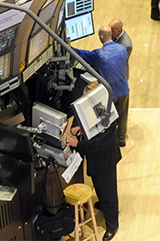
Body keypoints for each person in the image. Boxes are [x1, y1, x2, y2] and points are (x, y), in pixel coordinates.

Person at [66, 85, 122, 241]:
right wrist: (81, 128)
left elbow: (98, 144)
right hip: (99, 160)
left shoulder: (107, 117)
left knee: (108, 191)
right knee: (100, 186)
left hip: (105, 159)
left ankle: (112, 224)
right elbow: (92, 126)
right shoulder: (99, 108)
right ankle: (104, 205)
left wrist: (78, 144)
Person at [74, 26, 131, 151]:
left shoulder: (99, 54)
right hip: (124, 88)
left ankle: (111, 143)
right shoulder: (122, 48)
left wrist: (69, 48)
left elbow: (82, 54)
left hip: (110, 93)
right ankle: (121, 140)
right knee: (123, 115)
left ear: (101, 37)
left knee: (108, 119)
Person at [109, 19, 133, 147]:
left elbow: (117, 61)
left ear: (119, 30)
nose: (109, 32)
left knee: (121, 112)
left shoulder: (126, 44)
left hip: (119, 80)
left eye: (112, 30)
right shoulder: (114, 37)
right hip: (115, 79)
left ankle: (120, 138)